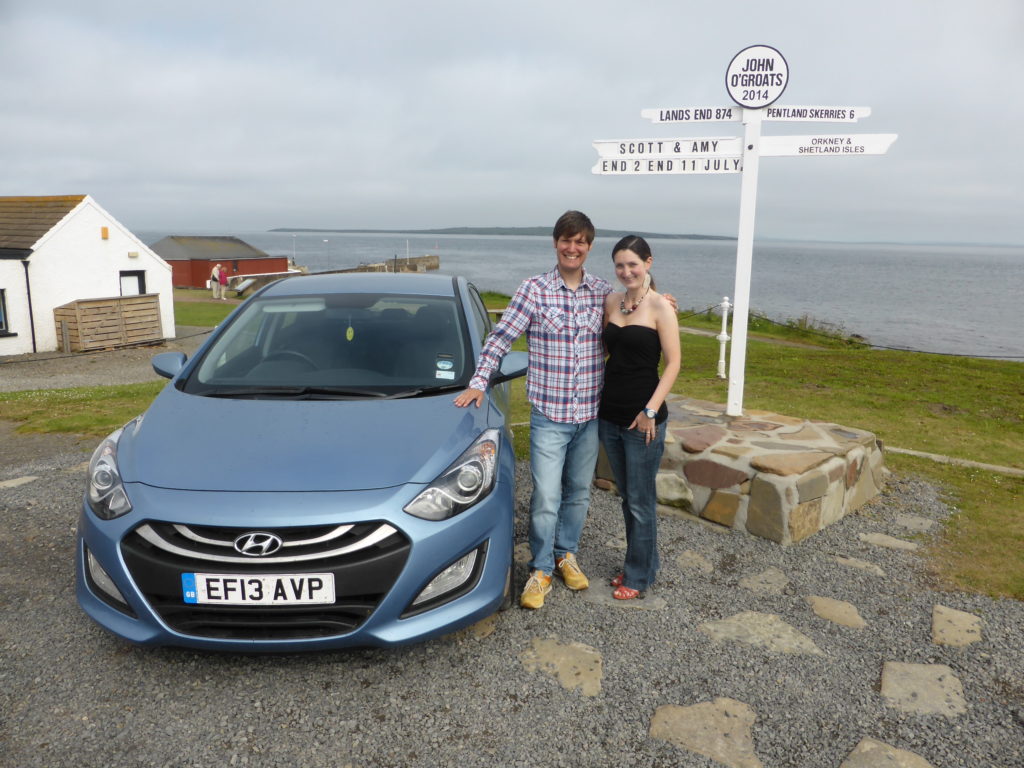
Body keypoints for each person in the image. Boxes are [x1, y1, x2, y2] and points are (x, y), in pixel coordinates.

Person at [454, 210, 610, 609]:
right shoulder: (534, 290)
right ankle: (540, 569)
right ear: (555, 243)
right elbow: (501, 338)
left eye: (580, 242)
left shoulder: (602, 292)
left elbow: (634, 307)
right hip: (549, 416)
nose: (572, 247)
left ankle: (565, 554)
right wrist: (478, 382)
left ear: (589, 247)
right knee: (545, 496)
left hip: (589, 415)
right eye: (565, 240)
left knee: (578, 493)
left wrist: (660, 299)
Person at [598, 235, 680, 600]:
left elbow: (674, 364)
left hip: (643, 419)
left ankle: (637, 575)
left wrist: (650, 411)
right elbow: (604, 350)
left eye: (633, 263)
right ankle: (645, 564)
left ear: (648, 263)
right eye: (620, 265)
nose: (626, 271)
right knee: (627, 497)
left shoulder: (662, 307)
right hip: (610, 415)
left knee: (641, 502)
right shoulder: (612, 301)